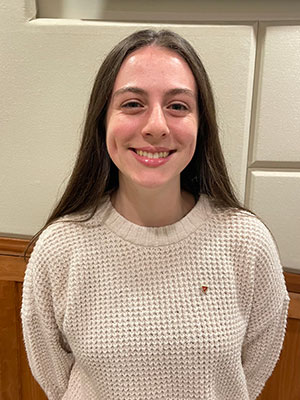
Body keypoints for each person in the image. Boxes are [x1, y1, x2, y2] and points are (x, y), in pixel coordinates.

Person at [21, 29, 290, 400]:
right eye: (133, 104)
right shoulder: (60, 248)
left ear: (201, 125)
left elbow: (249, 372)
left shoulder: (246, 242)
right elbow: (56, 380)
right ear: (103, 122)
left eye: (178, 106)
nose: (156, 127)